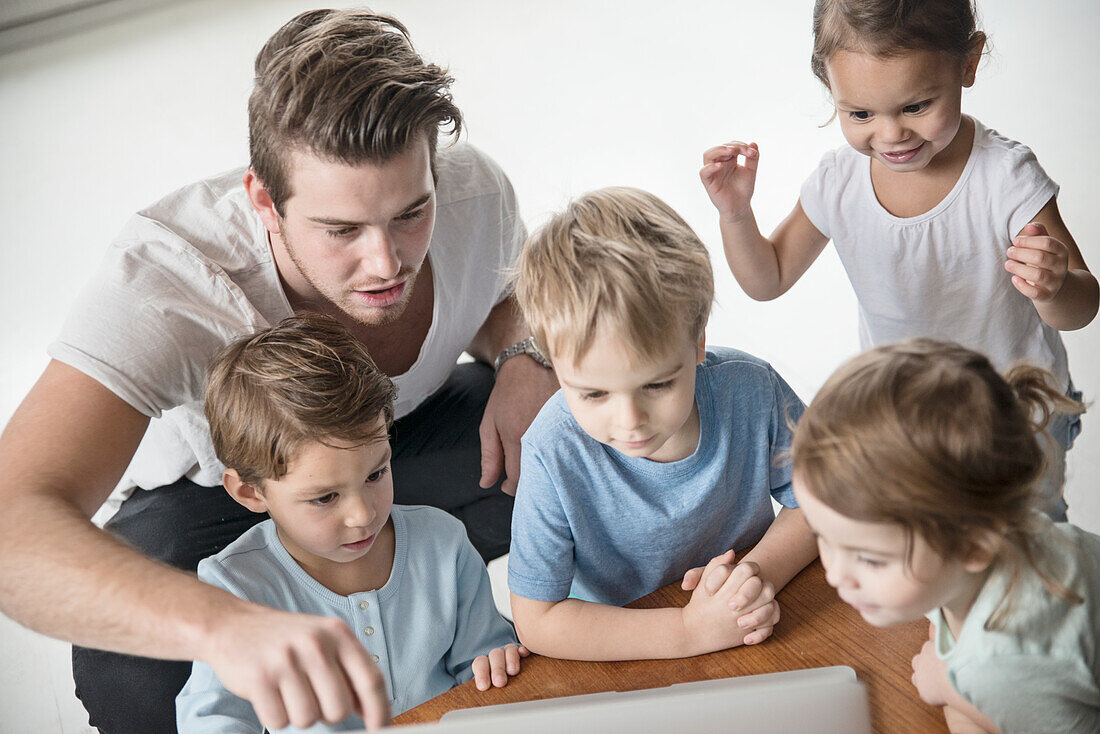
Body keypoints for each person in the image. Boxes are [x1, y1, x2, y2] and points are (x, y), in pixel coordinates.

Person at [0, 9, 556, 733]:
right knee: (131, 671)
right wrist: (225, 626)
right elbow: (12, 525)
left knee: (572, 438)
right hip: (212, 503)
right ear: (263, 199)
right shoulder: (163, 281)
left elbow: (498, 297)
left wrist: (523, 354)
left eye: (411, 214)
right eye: (341, 231)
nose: (386, 264)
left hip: (387, 450)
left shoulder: (475, 192)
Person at [699, 0, 1097, 520]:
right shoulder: (838, 183)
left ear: (967, 64)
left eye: (916, 106)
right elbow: (767, 278)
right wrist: (735, 214)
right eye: (860, 114)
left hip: (1015, 418)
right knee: (926, 547)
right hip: (905, 416)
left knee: (1026, 546)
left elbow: (1083, 303)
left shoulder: (1005, 178)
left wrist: (1053, 286)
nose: (891, 135)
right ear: (831, 88)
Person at [506, 187, 819, 660]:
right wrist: (689, 629)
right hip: (628, 654)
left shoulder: (752, 391)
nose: (630, 421)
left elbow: (826, 499)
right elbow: (537, 619)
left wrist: (746, 584)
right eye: (593, 394)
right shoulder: (553, 451)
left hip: (750, 628)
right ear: (553, 365)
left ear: (697, 345)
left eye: (657, 386)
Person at [176, 314, 526, 732]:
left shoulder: (442, 544)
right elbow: (213, 720)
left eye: (376, 474)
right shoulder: (236, 588)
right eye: (325, 497)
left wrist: (496, 663)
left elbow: (485, 661)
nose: (364, 515)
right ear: (251, 492)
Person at [791, 339, 1099, 733]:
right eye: (822, 536)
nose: (835, 575)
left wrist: (949, 687)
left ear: (974, 547)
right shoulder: (999, 525)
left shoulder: (999, 663)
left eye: (870, 559)